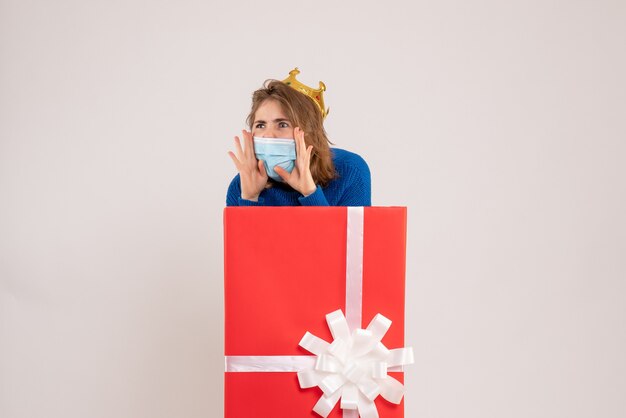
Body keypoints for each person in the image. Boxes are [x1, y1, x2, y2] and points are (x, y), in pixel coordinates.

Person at [226, 70, 371, 206]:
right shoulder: (241, 186)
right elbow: (244, 234)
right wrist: (250, 199)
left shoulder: (350, 171)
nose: (269, 135)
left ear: (309, 132)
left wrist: (310, 193)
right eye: (260, 125)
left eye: (282, 124)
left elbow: (346, 234)